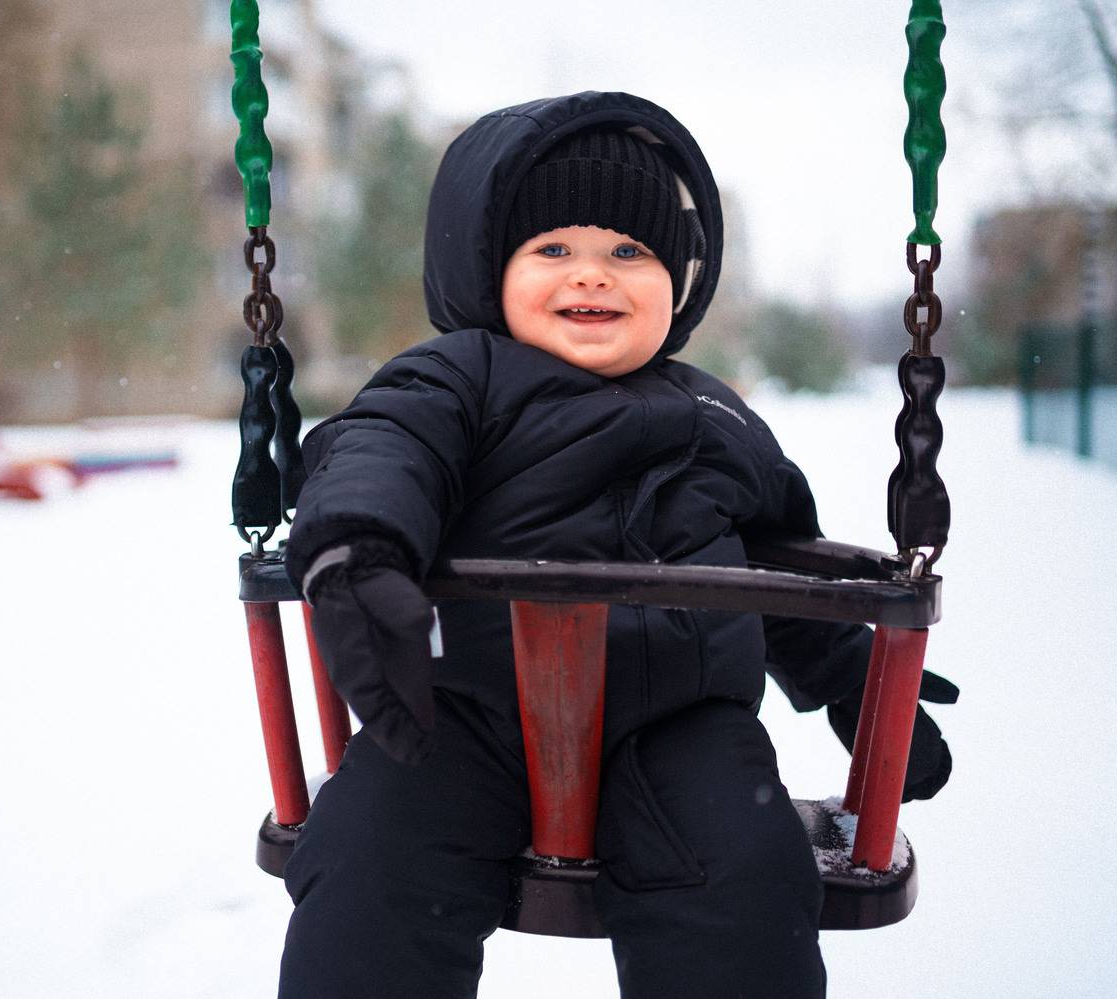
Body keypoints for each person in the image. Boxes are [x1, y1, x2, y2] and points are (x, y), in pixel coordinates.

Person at [277, 91, 954, 999]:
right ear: (487, 269)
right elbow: (378, 451)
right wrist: (357, 550)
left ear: (679, 282)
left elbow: (779, 561)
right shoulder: (455, 378)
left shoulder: (715, 412)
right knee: (368, 856)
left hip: (681, 728)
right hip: (462, 716)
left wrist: (851, 680)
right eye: (553, 249)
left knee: (746, 871)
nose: (593, 275)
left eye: (629, 252)